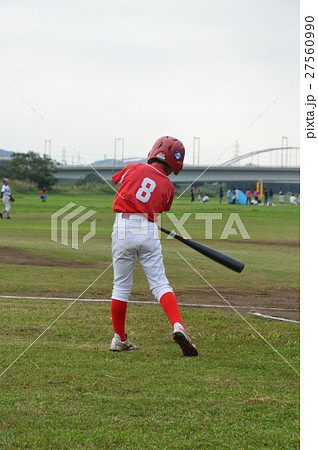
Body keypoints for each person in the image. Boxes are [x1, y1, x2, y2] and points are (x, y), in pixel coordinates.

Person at [109, 136, 198, 357]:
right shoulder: (168, 185)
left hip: (122, 227)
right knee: (160, 284)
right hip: (148, 230)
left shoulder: (134, 167)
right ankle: (178, 325)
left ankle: (119, 338)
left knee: (120, 286)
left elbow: (118, 181)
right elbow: (158, 208)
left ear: (154, 152)